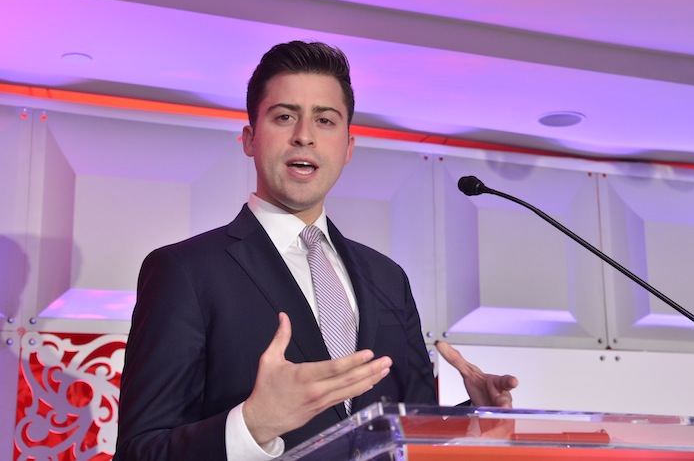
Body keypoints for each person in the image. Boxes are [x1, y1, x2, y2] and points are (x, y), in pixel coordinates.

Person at [114, 41, 518, 460]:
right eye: (284, 116)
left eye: (325, 120)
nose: (304, 135)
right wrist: (253, 425)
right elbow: (138, 452)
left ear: (347, 148)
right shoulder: (185, 271)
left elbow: (405, 433)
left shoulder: (387, 278)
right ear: (250, 139)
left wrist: (474, 418)